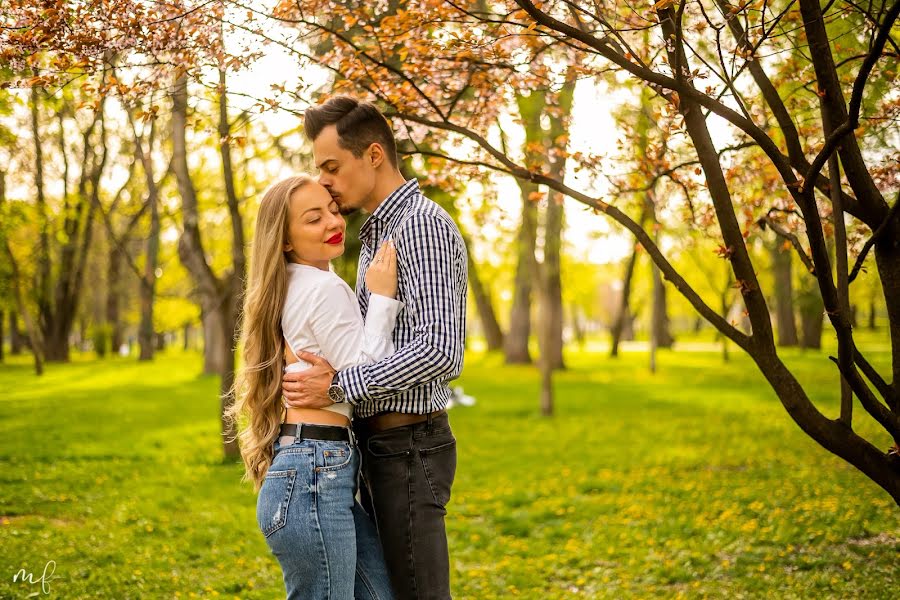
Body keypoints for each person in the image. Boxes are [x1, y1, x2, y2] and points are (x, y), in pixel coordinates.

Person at [281, 96, 468, 600]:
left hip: (409, 446)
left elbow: (440, 350)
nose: (324, 182)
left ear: (374, 156)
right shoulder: (374, 235)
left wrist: (339, 384)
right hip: (379, 446)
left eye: (332, 167)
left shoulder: (420, 226)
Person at [229, 174, 400, 600]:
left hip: (313, 472)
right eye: (313, 219)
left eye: (332, 209)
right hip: (315, 475)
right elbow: (367, 375)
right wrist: (381, 299)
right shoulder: (322, 288)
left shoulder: (290, 285)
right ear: (285, 240)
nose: (332, 222)